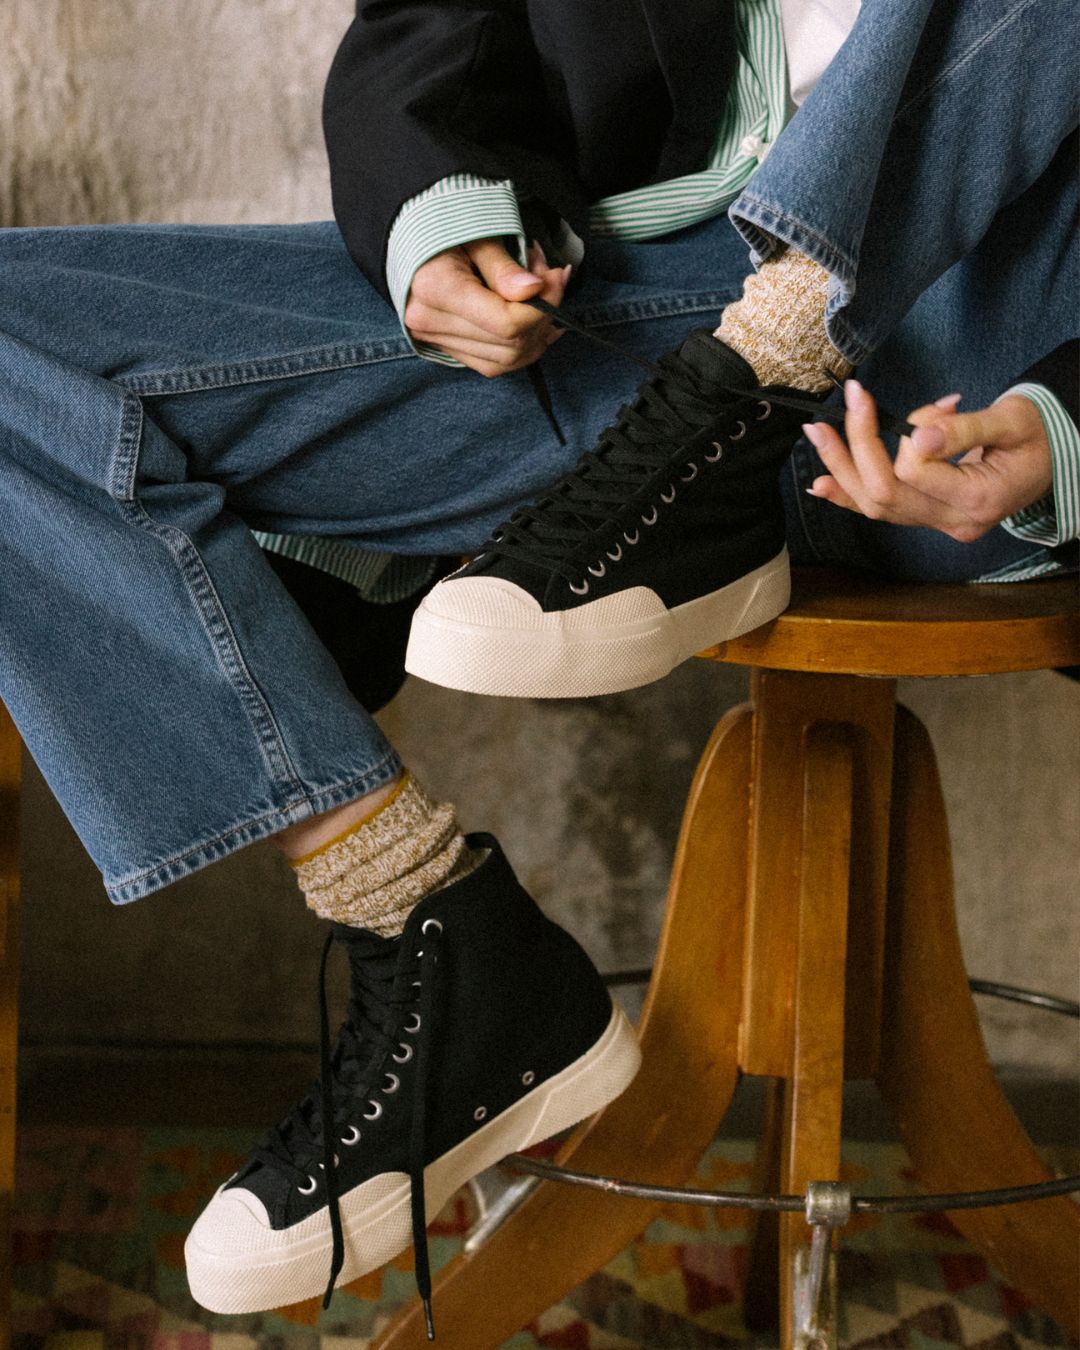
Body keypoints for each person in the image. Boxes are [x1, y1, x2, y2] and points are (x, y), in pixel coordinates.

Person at [0, 0, 1075, 1331]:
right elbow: (431, 33)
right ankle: (431, 928)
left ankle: (753, 380)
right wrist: (442, 223)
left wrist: (1066, 430)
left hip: (984, 357)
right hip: (634, 312)